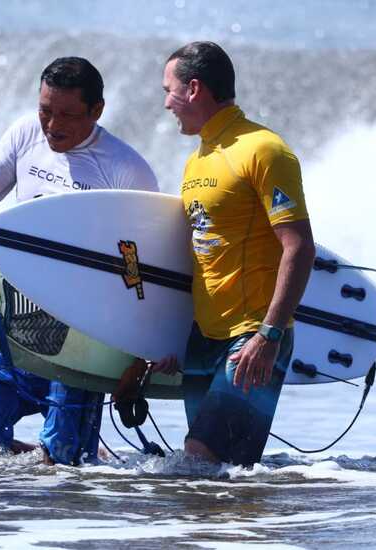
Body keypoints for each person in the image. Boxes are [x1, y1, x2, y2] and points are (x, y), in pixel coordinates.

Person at [0, 57, 159, 465]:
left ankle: (83, 451)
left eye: (66, 114)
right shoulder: (24, 134)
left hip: (87, 341)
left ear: (97, 111)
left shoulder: (126, 171)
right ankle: (73, 454)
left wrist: (138, 361)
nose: (51, 124)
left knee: (61, 472)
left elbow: (141, 275)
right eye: (45, 110)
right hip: (23, 327)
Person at [157, 42, 316, 466]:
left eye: (168, 91)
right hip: (204, 339)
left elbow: (299, 247)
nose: (166, 103)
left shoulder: (264, 149)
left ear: (194, 89)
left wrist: (270, 335)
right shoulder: (197, 162)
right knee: (221, 478)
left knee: (198, 460)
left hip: (253, 337)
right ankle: (246, 532)